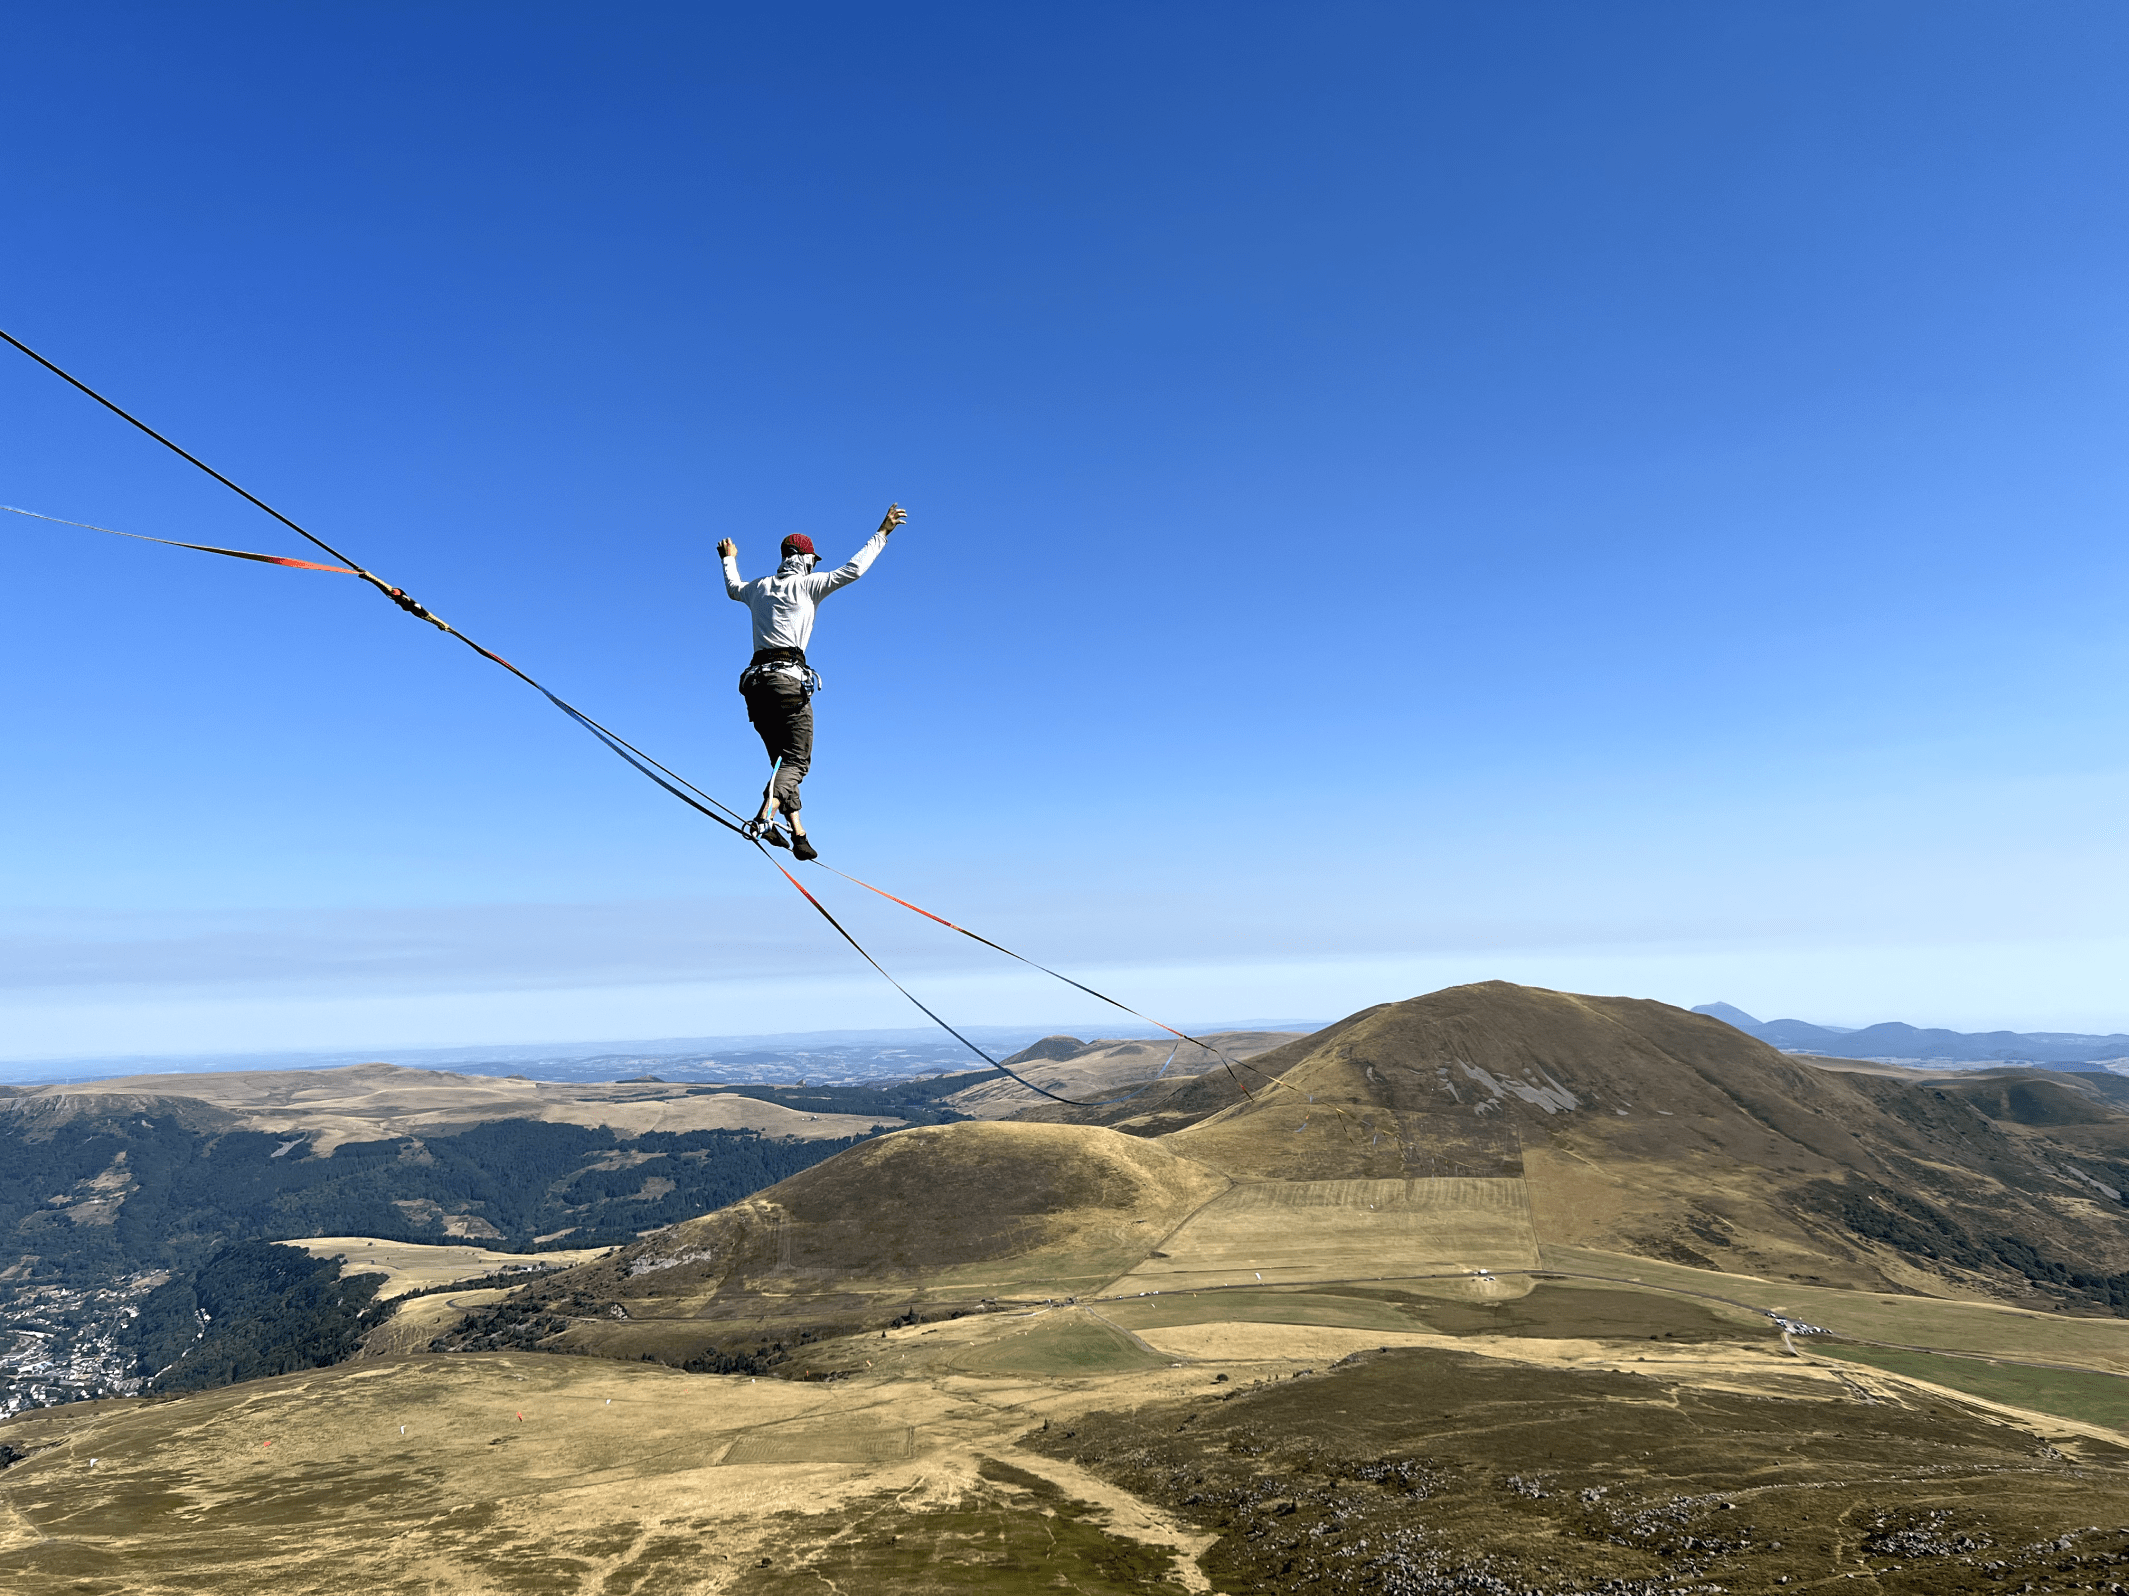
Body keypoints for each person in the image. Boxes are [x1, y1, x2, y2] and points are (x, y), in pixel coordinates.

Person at [717, 504, 906, 860]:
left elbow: (732, 588)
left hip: (755, 688)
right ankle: (766, 816)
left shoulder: (758, 588)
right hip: (787, 685)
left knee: (781, 762)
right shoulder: (808, 585)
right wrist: (883, 533)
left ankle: (799, 835)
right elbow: (854, 570)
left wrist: (728, 558)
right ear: (804, 559)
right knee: (797, 763)